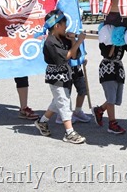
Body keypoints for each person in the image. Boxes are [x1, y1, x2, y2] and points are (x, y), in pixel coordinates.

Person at [33, 9, 87, 144]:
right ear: (57, 26)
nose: (66, 28)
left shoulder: (63, 38)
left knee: (58, 102)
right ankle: (69, 132)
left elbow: (74, 55)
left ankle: (42, 122)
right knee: (63, 102)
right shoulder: (50, 42)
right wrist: (79, 41)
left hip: (66, 74)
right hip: (56, 76)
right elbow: (66, 56)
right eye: (64, 25)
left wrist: (74, 39)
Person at [92, 37, 127, 135]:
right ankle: (112, 124)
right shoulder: (105, 38)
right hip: (107, 68)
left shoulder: (122, 36)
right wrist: (114, 41)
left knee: (116, 98)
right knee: (111, 98)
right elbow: (108, 54)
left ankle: (99, 110)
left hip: (118, 69)